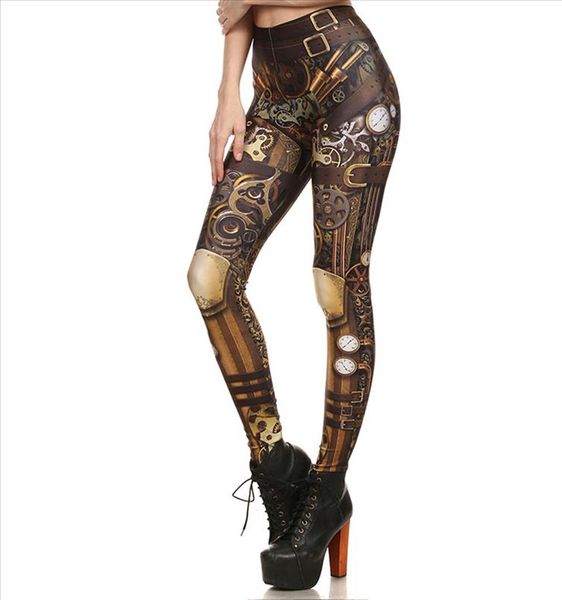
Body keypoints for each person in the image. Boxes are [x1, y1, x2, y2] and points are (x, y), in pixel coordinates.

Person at [187, 0, 401, 590]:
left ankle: (328, 487)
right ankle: (277, 464)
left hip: (350, 87)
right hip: (274, 92)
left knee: (337, 284)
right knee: (210, 277)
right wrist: (228, 92)